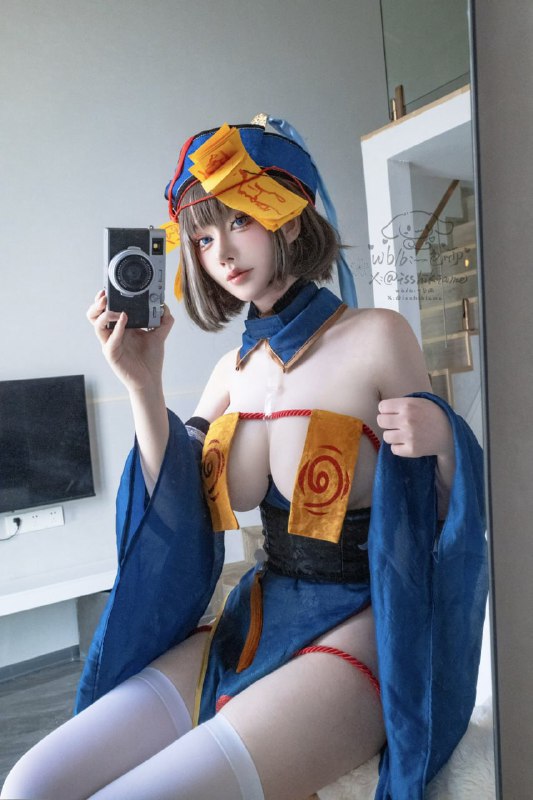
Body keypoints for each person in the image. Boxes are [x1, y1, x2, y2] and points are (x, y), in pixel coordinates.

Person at [2, 119, 487, 800]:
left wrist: (444, 438)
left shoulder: (378, 336)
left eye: (240, 220)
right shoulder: (229, 372)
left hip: (362, 628)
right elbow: (173, 504)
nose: (222, 253)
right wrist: (142, 384)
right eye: (202, 238)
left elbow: (445, 517)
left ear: (289, 215)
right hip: (256, 616)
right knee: (29, 784)